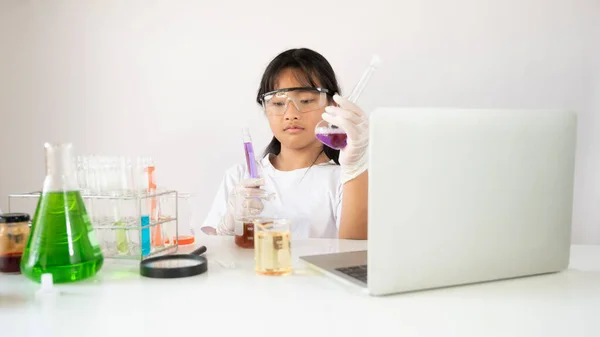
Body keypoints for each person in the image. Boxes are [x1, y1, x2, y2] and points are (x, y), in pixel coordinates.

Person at [201, 48, 369, 239]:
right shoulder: (240, 178)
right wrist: (227, 227)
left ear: (333, 106)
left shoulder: (345, 180)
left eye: (305, 100)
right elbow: (214, 259)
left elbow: (355, 255)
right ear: (265, 109)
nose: (291, 114)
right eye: (278, 103)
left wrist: (355, 168)